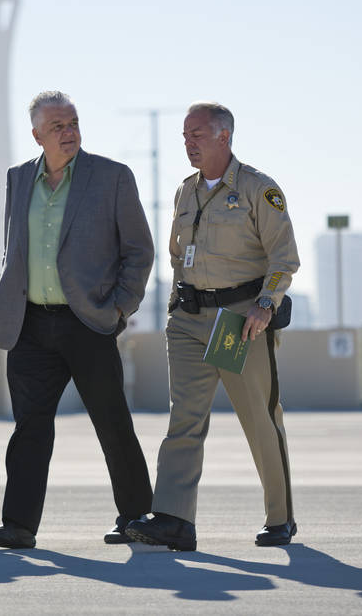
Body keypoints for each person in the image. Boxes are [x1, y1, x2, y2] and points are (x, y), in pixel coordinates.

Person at [0, 90, 155, 549]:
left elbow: (139, 251)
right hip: (29, 325)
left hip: (88, 322)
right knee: (29, 428)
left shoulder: (112, 177)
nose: (69, 132)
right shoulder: (18, 178)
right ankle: (18, 526)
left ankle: (136, 516)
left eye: (73, 123)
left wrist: (120, 308)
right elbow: (13, 248)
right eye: (57, 126)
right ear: (37, 134)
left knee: (112, 422)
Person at [126, 101, 300, 551]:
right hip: (189, 320)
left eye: (197, 134)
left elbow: (283, 258)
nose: (188, 143)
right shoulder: (185, 192)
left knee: (257, 417)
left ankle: (279, 517)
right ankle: (175, 520)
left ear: (224, 136)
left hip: (235, 321)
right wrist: (174, 308)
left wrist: (265, 305)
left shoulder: (257, 189)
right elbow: (176, 255)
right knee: (183, 420)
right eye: (185, 135)